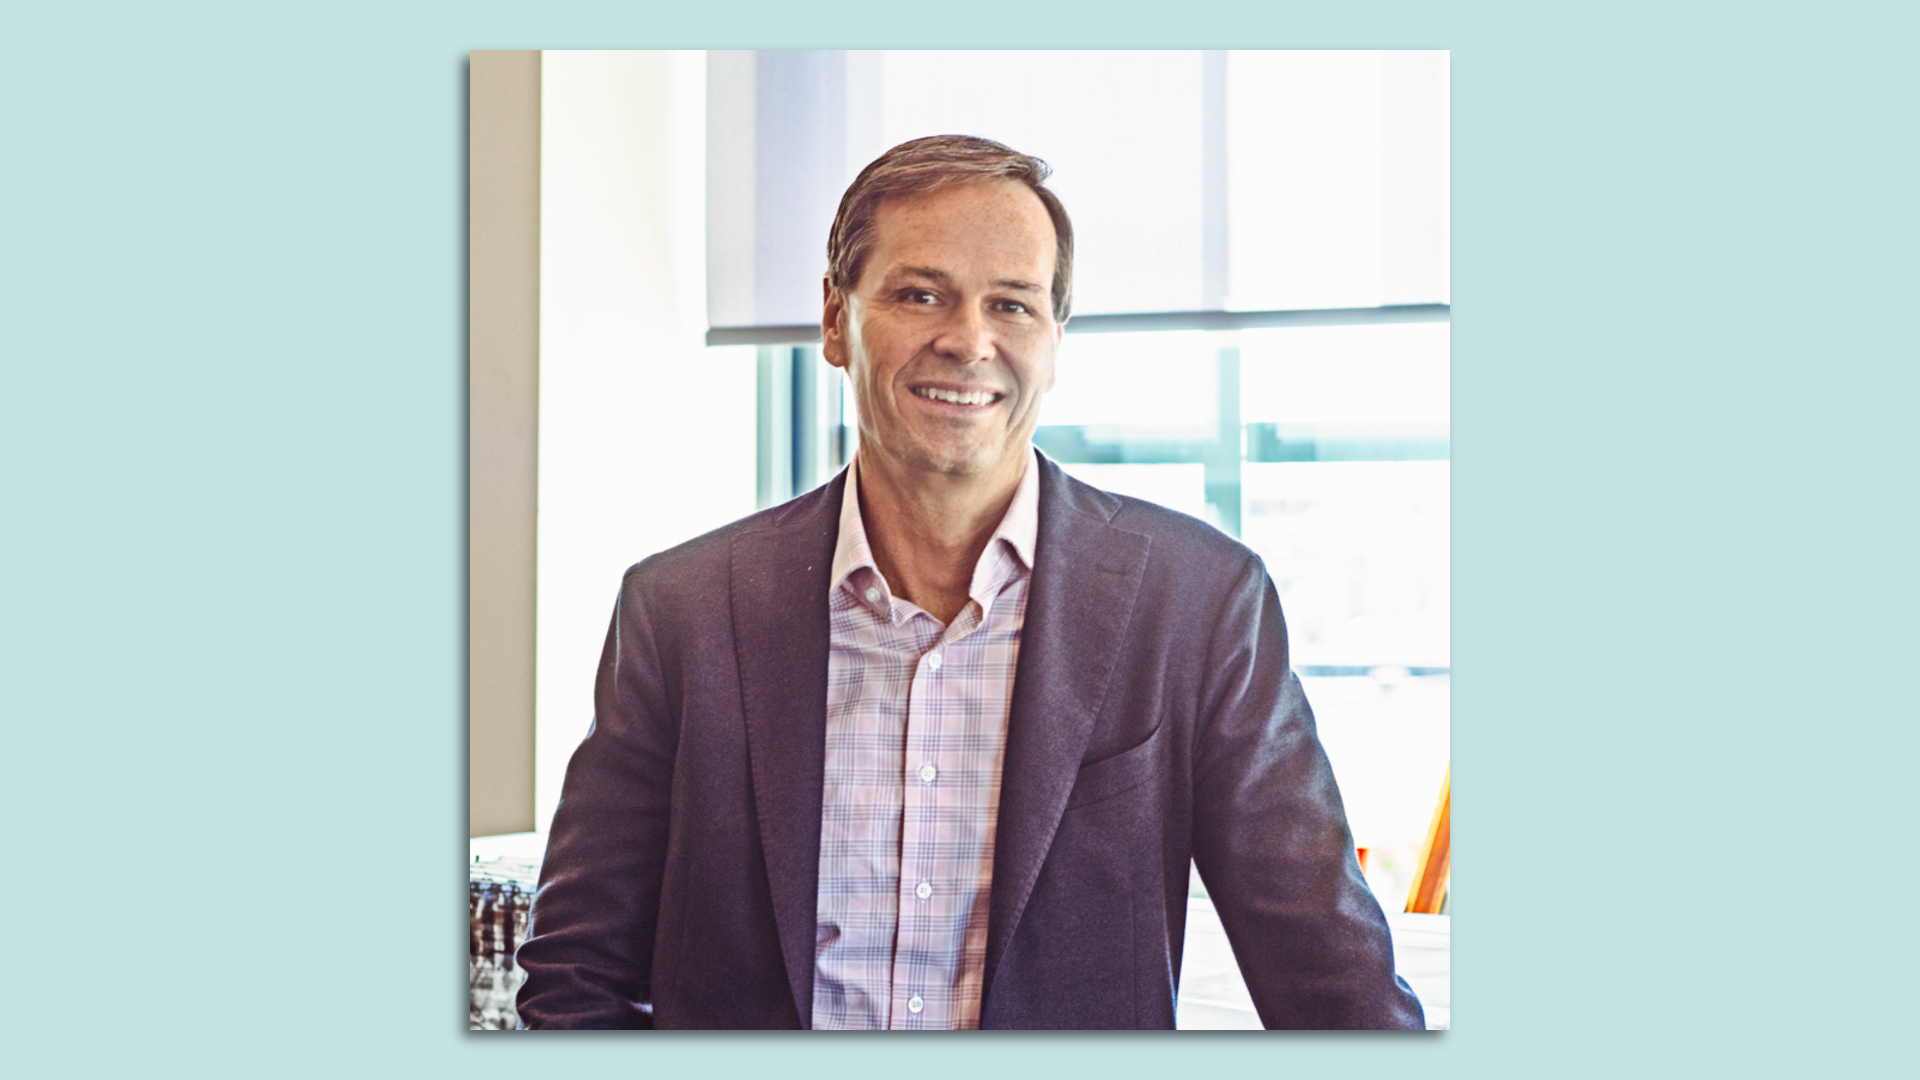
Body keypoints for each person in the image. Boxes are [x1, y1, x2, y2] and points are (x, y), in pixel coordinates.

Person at [514, 135, 1425, 1030]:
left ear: (1056, 342)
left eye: (1014, 305)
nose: (968, 340)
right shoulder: (682, 609)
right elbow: (578, 972)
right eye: (920, 294)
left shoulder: (1196, 603)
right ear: (836, 321)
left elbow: (1325, 973)